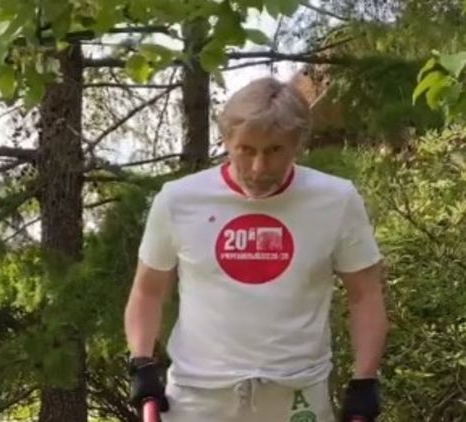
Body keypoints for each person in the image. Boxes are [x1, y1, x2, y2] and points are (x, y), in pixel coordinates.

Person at [124, 77, 389, 422]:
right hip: (198, 397)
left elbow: (365, 295)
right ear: (226, 141)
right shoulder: (178, 200)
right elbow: (148, 291)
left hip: (297, 394)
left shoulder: (336, 200)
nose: (258, 168)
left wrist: (364, 380)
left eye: (274, 150)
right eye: (246, 150)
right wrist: (142, 363)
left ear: (297, 144)